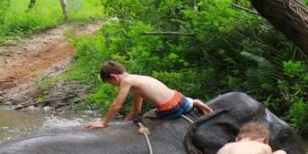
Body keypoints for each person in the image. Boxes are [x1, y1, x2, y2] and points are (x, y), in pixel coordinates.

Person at [85, 60, 213, 129]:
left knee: (147, 117)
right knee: (178, 100)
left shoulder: (126, 82)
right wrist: (123, 124)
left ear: (113, 77)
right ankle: (194, 102)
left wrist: (104, 123)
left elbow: (116, 106)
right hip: (182, 100)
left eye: (112, 84)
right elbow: (136, 110)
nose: (115, 86)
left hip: (171, 109)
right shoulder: (137, 79)